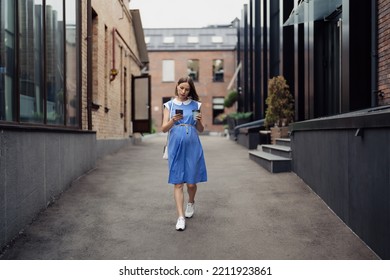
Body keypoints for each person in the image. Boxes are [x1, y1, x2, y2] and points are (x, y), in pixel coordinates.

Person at [161, 76, 208, 231]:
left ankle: (191, 202)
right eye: (181, 88)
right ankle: (180, 217)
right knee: (178, 182)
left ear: (190, 90)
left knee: (192, 183)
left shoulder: (196, 105)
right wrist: (173, 120)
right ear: (177, 87)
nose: (183, 91)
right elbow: (163, 129)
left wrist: (199, 121)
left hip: (193, 145)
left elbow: (200, 129)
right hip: (175, 145)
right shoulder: (169, 105)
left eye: (187, 89)